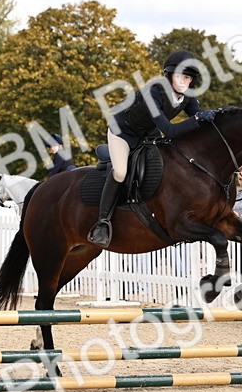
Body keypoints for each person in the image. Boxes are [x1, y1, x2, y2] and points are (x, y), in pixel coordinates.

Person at [87, 50, 213, 247]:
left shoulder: (187, 96)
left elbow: (199, 119)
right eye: (179, 76)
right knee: (120, 172)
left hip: (147, 133)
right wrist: (197, 119)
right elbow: (169, 130)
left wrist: (215, 117)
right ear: (169, 75)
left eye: (187, 78)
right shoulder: (153, 92)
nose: (183, 82)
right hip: (123, 132)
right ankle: (102, 223)